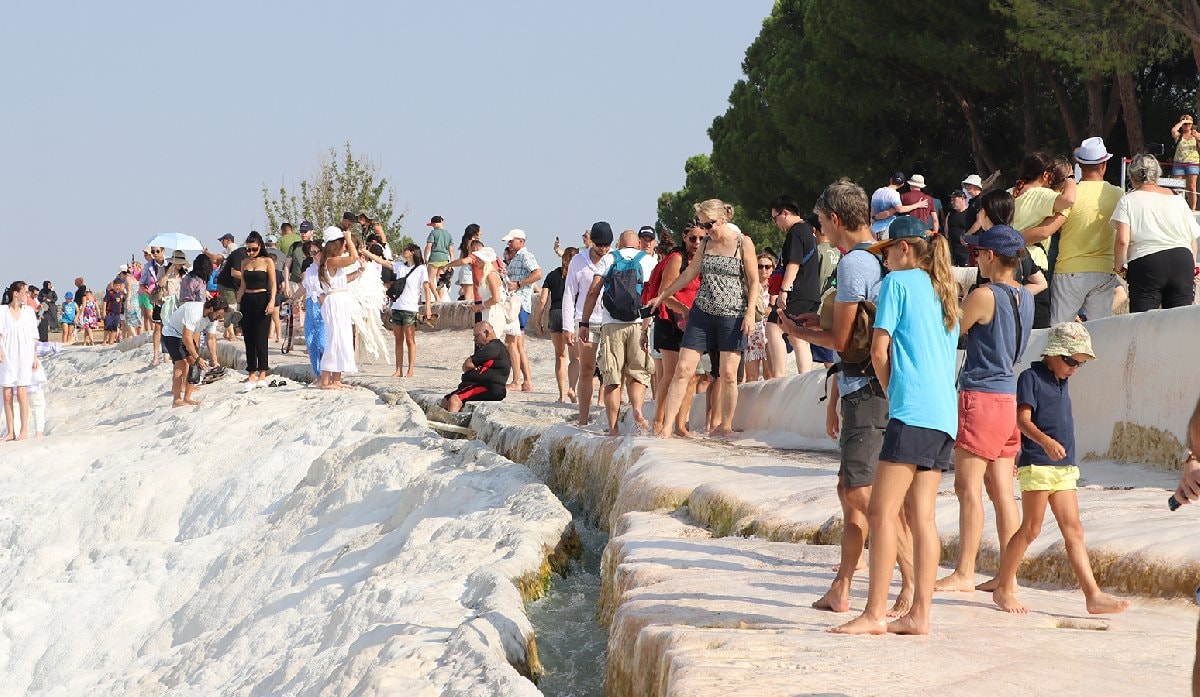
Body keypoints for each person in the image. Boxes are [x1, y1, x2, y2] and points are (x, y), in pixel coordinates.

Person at [783, 179, 911, 615]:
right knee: (851, 490)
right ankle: (842, 586)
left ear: (835, 220)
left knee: (861, 494)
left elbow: (840, 338)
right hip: (865, 386)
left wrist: (795, 331)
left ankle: (914, 580)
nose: (819, 229)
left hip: (868, 391)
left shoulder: (855, 264)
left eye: (821, 222)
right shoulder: (876, 255)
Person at [831, 217, 960, 636]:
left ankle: (873, 614)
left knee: (882, 513)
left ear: (904, 249)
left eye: (886, 252)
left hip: (913, 410)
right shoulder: (945, 291)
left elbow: (880, 350)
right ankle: (920, 614)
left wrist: (890, 394)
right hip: (943, 415)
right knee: (922, 517)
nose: (883, 261)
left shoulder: (897, 284)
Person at [991, 322, 1130, 616]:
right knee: (1031, 528)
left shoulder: (1060, 380)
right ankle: (1003, 588)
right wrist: (1045, 442)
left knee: (1074, 530)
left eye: (1079, 364)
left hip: (1064, 467)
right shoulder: (1031, 378)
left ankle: (1092, 595)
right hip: (1039, 464)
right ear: (1053, 353)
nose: (1074, 369)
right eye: (1070, 361)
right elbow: (1023, 421)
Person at [934, 224, 1034, 594]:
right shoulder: (1025, 296)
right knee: (1002, 492)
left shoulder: (983, 294)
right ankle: (1009, 574)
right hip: (1008, 397)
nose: (974, 258)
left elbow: (951, 332)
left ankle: (964, 571)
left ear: (991, 256)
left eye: (977, 253)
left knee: (967, 488)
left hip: (981, 395)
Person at [649, 199, 760, 440]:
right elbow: (689, 273)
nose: (704, 230)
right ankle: (667, 427)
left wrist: (750, 312)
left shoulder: (743, 243)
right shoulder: (707, 242)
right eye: (701, 224)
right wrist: (663, 296)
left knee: (728, 374)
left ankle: (726, 426)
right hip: (702, 313)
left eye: (708, 224)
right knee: (683, 369)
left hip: (733, 314)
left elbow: (753, 281)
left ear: (723, 219)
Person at [579, 229, 657, 435]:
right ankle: (638, 410)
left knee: (612, 377)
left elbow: (594, 291)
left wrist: (584, 322)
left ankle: (613, 428)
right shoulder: (648, 261)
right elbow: (655, 295)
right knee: (638, 374)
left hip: (612, 324)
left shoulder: (608, 259)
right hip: (639, 323)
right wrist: (647, 325)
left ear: (620, 243)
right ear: (638, 244)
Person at [1113, 153, 1200, 312]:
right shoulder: (1178, 199)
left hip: (1147, 262)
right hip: (1182, 260)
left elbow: (1122, 240)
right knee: (1180, 321)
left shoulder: (1128, 200)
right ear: (1157, 174)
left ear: (1132, 176)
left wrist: (1119, 266)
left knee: (1142, 323)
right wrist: (1192, 266)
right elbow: (1192, 240)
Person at [1050, 137, 1123, 324]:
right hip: (1104, 269)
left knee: (1059, 332)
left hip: (1069, 268)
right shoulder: (1118, 195)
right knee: (1100, 332)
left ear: (1079, 165)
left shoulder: (1068, 196)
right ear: (1104, 165)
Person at [648, 224, 703, 435]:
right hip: (668, 320)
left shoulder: (702, 260)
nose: (696, 243)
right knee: (670, 374)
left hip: (692, 323)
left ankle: (681, 425)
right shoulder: (677, 259)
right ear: (684, 237)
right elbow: (664, 293)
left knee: (691, 376)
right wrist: (684, 310)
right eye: (692, 239)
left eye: (701, 239)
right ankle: (658, 421)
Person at [1013, 152, 1076, 328]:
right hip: (1032, 264)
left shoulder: (1011, 193)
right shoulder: (1040, 194)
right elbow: (1068, 200)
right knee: (1036, 329)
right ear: (1046, 175)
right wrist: (1070, 178)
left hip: (1006, 263)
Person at [563, 222, 615, 427]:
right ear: (592, 242)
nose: (603, 249)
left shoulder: (614, 258)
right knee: (586, 368)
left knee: (612, 369)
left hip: (611, 320)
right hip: (585, 320)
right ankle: (583, 419)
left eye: (607, 245)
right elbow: (569, 293)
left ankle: (611, 420)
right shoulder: (578, 260)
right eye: (600, 244)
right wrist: (568, 326)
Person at [770, 196, 823, 374]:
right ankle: (804, 375)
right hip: (809, 292)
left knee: (773, 325)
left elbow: (794, 263)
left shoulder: (796, 232)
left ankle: (779, 376)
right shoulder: (807, 230)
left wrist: (783, 290)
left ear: (784, 213)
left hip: (797, 292)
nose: (775, 224)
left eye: (774, 218)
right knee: (797, 335)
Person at [163, 297, 226, 407]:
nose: (218, 319)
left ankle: (187, 397)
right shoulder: (195, 311)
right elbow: (186, 337)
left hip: (185, 336)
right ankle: (176, 400)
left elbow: (211, 339)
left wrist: (214, 360)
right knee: (181, 364)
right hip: (171, 333)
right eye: (218, 315)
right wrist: (197, 357)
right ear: (211, 309)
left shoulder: (212, 319)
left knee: (194, 365)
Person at [318, 227, 361, 390]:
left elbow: (342, 280)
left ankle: (336, 379)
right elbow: (353, 257)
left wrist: (359, 272)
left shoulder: (332, 262)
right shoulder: (330, 260)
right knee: (334, 339)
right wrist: (349, 238)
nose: (345, 247)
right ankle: (325, 381)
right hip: (334, 302)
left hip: (340, 299)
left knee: (342, 338)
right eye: (343, 244)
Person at [535, 246, 579, 403]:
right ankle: (572, 388)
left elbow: (542, 300)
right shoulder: (578, 275)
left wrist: (538, 320)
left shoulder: (552, 275)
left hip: (555, 314)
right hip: (572, 314)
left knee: (560, 356)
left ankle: (561, 396)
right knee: (575, 357)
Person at [502, 229, 542, 392]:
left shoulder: (525, 255)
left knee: (511, 343)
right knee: (518, 345)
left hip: (519, 303)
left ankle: (517, 381)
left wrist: (518, 284)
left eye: (512, 240)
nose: (509, 243)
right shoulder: (517, 257)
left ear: (521, 241)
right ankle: (526, 382)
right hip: (519, 303)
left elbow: (538, 274)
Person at [441, 321, 511, 413]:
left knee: (454, 400)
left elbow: (467, 365)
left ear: (486, 333)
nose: (475, 340)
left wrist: (473, 368)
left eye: (476, 336)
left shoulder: (493, 347)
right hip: (480, 385)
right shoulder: (491, 347)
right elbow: (468, 366)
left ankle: (452, 425)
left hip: (490, 388)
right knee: (445, 402)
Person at [237, 232, 277, 390]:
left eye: (253, 249)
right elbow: (242, 286)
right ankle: (251, 372)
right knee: (248, 338)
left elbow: (273, 284)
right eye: (248, 249)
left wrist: (272, 301)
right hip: (247, 300)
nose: (251, 252)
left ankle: (262, 372)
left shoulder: (267, 261)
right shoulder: (244, 262)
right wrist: (237, 305)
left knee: (261, 337)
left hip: (262, 300)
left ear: (260, 246)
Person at [0, 281, 38, 441]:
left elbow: (34, 335)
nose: (28, 295)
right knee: (7, 394)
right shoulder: (2, 311)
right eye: (26, 292)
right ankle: (10, 431)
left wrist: (35, 356)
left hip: (24, 355)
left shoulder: (29, 311)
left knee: (22, 393)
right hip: (7, 356)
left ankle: (23, 430)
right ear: (16, 293)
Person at [389, 244, 434, 378]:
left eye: (405, 250)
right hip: (397, 306)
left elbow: (426, 288)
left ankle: (410, 370)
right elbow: (384, 262)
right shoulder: (400, 266)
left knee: (410, 339)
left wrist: (428, 308)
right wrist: (366, 253)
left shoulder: (421, 269)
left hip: (410, 308)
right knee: (398, 339)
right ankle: (398, 370)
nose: (403, 252)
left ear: (412, 252)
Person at [871, 171, 930, 238]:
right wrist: (917, 205)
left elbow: (872, 211)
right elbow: (900, 209)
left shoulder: (877, 191)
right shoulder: (894, 194)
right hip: (887, 229)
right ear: (902, 184)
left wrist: (874, 220)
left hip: (874, 230)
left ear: (891, 179)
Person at [743, 253, 773, 381]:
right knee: (751, 376)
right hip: (752, 334)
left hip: (768, 334)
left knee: (770, 374)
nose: (764, 269)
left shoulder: (776, 287)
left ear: (772, 268)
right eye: (760, 266)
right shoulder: (747, 286)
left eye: (767, 266)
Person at [300, 240, 327, 378]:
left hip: (322, 306)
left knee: (323, 342)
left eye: (315, 252)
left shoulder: (328, 269)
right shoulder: (310, 269)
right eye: (311, 253)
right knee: (311, 342)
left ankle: (328, 373)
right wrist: (292, 298)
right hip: (311, 306)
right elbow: (304, 287)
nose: (313, 255)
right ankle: (319, 375)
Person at [214, 233, 246, 340]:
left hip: (229, 283)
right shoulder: (238, 252)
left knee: (231, 307)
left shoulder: (232, 248)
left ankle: (228, 332)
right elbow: (234, 273)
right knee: (231, 307)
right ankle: (231, 334)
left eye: (222, 241)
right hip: (227, 283)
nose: (222, 243)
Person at [141, 246, 168, 365]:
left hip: (170, 297)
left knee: (169, 327)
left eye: (157, 251)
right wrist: (150, 295)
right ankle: (156, 356)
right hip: (157, 298)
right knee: (157, 327)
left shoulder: (170, 263)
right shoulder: (149, 266)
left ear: (163, 251)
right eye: (153, 252)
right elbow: (142, 284)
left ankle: (167, 354)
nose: (155, 254)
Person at [1172, 114, 1200, 211]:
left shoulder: (1196, 134)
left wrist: (1197, 137)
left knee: (1192, 186)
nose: (1186, 125)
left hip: (1193, 163)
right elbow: (1173, 130)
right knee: (1177, 186)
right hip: (1179, 163)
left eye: (1188, 123)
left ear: (1192, 124)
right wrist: (1182, 122)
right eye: (1185, 123)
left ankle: (1192, 208)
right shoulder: (1179, 136)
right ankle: (1177, 208)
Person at [425, 216, 455, 296]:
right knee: (440, 280)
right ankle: (441, 299)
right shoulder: (448, 234)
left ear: (434, 224)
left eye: (432, 225)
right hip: (445, 259)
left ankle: (437, 297)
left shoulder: (433, 233)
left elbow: (428, 247)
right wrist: (451, 263)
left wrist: (425, 258)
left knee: (430, 280)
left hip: (435, 258)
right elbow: (451, 251)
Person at [944, 190, 973, 266]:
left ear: (962, 199)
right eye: (951, 200)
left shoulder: (969, 213)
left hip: (965, 250)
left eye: (954, 199)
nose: (952, 202)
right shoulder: (950, 214)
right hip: (952, 250)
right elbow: (946, 229)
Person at [101, 278, 126, 346]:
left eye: (119, 285)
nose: (118, 287)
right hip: (109, 313)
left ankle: (111, 341)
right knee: (107, 326)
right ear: (114, 285)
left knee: (115, 327)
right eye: (116, 285)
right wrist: (103, 311)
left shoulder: (121, 294)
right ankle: (104, 340)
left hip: (117, 314)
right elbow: (105, 301)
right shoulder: (110, 293)